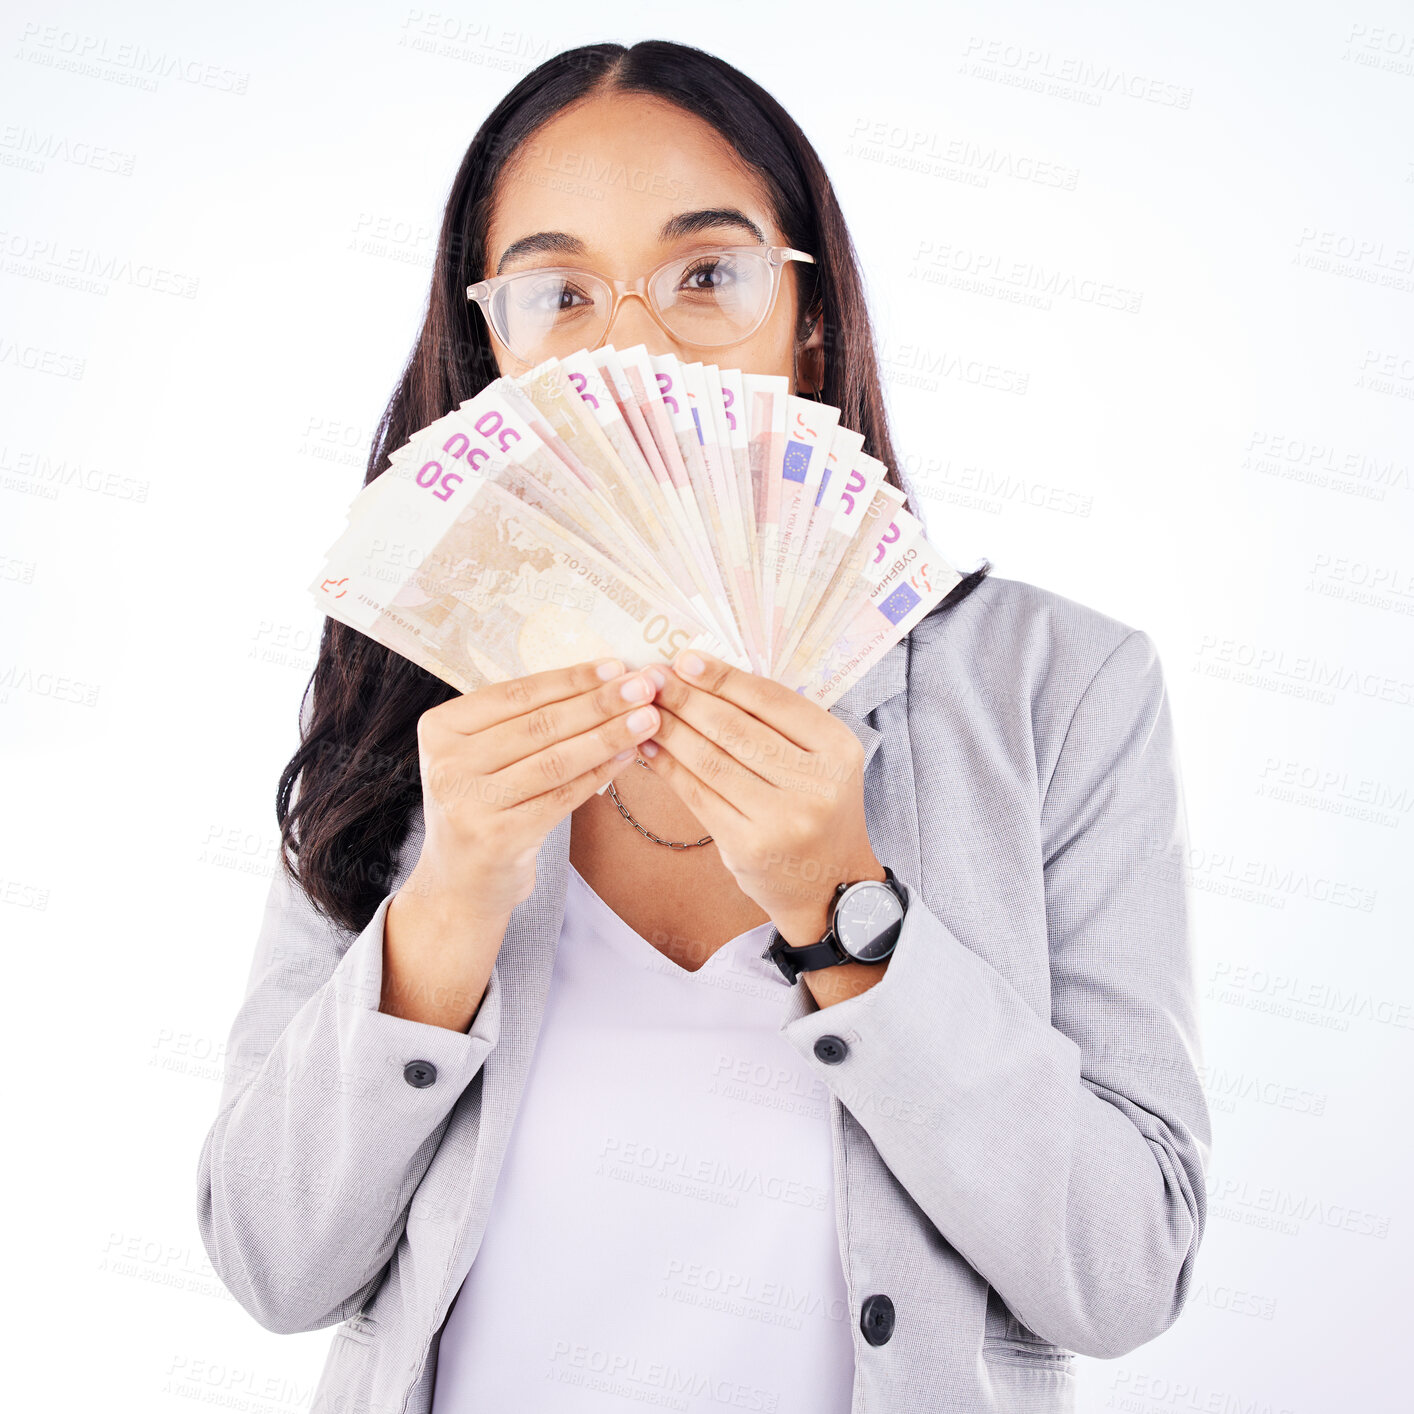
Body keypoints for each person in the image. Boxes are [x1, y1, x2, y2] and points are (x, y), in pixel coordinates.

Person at [196, 39, 1210, 1414]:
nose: (629, 347)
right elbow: (271, 1262)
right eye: (559, 292)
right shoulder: (410, 688)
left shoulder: (1054, 687)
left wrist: (847, 909)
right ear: (489, 343)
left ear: (805, 311)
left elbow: (1120, 1272)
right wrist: (449, 904)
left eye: (705, 276)